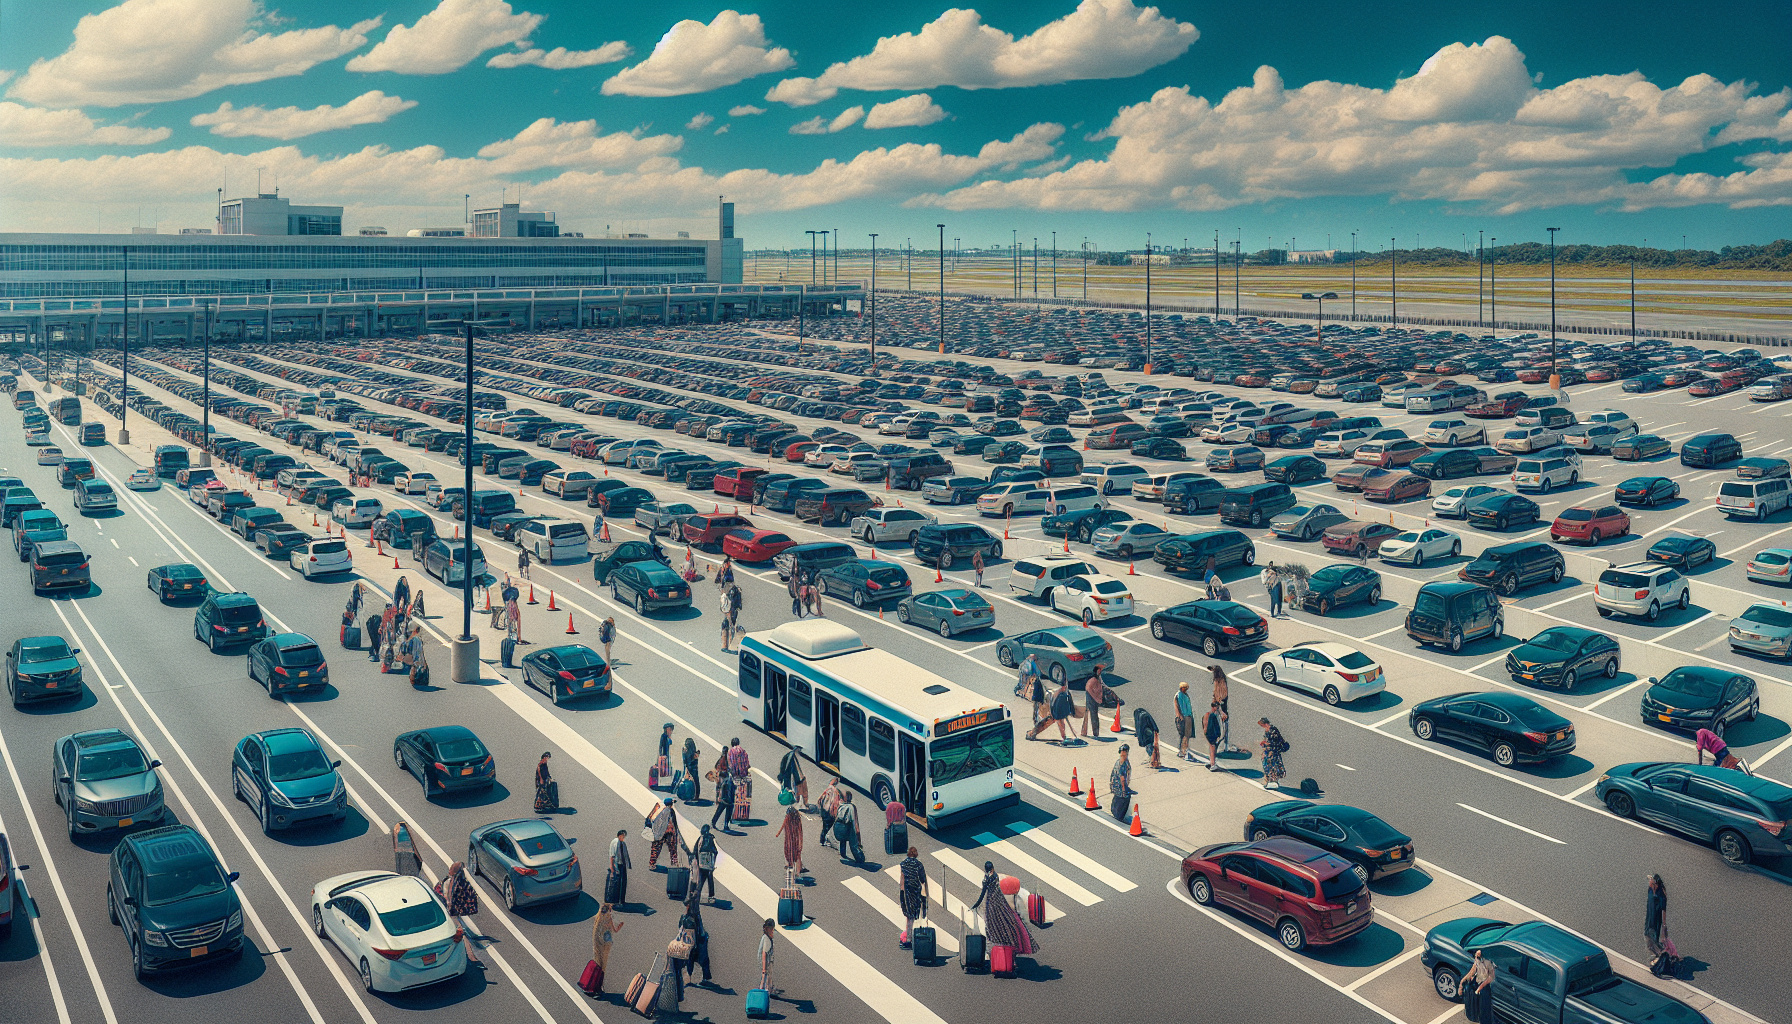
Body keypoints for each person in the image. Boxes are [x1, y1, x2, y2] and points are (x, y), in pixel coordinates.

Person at [969, 860, 1035, 957]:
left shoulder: (986, 879)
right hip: (1000, 900)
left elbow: (983, 893)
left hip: (991, 903)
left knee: (991, 925)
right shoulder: (995, 875)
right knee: (1007, 919)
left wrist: (975, 905)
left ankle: (995, 946)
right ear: (992, 868)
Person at [439, 861, 482, 966]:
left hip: (452, 913)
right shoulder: (457, 882)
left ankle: (470, 955)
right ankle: (470, 955)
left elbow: (448, 897)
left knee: (462, 933)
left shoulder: (451, 882)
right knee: (462, 933)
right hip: (454, 912)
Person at [896, 846, 928, 948]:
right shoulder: (919, 865)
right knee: (912, 915)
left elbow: (902, 879)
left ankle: (908, 938)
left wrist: (901, 893)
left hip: (905, 891)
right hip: (915, 892)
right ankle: (909, 937)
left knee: (908, 916)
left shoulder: (903, 864)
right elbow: (922, 879)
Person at [590, 902, 625, 992]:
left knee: (597, 961)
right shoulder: (609, 919)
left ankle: (594, 983)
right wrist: (621, 925)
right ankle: (600, 985)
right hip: (606, 943)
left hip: (598, 942)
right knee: (603, 965)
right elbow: (615, 930)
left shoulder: (598, 919)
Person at [1027, 678, 1073, 742]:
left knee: (1054, 717)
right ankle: (1032, 733)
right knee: (1053, 717)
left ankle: (1032, 733)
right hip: (1046, 692)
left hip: (1050, 691)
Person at [680, 897, 712, 986]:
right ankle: (693, 978)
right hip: (693, 942)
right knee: (693, 960)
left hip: (697, 942)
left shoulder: (690, 917)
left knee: (699, 959)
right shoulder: (690, 916)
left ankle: (703, 978)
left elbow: (699, 930)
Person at [647, 797, 680, 868]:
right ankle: (674, 864)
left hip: (659, 833)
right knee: (672, 849)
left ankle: (651, 864)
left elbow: (656, 822)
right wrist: (675, 834)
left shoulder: (662, 811)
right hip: (669, 834)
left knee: (656, 849)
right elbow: (673, 824)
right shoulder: (671, 811)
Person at [774, 804, 806, 876]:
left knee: (789, 851)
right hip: (796, 839)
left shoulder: (787, 818)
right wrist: (800, 841)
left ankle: (789, 864)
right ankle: (798, 871)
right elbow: (800, 831)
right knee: (797, 854)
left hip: (789, 839)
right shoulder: (797, 819)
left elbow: (782, 826)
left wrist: (778, 834)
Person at [1466, 948, 1495, 1023]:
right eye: (1476, 956)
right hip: (1478, 985)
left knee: (1485, 1007)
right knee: (1478, 1007)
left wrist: (1480, 987)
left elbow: (1491, 977)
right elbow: (1473, 971)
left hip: (1485, 988)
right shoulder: (1477, 962)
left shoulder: (1488, 963)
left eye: (1478, 956)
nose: (1477, 957)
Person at [1213, 667, 1238, 754]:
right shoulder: (1220, 682)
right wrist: (1221, 712)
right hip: (1221, 708)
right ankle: (1220, 747)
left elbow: (1217, 697)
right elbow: (1218, 699)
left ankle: (1224, 746)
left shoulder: (1219, 682)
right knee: (1223, 729)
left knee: (1224, 728)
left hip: (1221, 708)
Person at [692, 824, 719, 903]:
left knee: (700, 879)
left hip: (700, 863)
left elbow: (695, 850)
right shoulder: (711, 838)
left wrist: (696, 861)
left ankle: (696, 895)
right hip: (709, 864)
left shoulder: (700, 839)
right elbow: (715, 851)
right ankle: (711, 897)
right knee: (710, 879)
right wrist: (713, 862)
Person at [835, 790, 863, 864]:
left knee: (842, 840)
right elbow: (855, 821)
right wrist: (857, 833)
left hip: (839, 826)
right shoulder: (851, 807)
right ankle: (859, 858)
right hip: (847, 826)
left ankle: (843, 854)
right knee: (853, 842)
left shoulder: (840, 806)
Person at [1259, 718, 1288, 790]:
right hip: (1268, 752)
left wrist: (1266, 743)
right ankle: (1271, 781)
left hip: (1272, 752)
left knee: (1272, 766)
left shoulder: (1273, 731)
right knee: (1269, 766)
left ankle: (1273, 782)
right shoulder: (1268, 730)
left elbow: (1275, 743)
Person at [1081, 663, 1108, 738]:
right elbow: (1088, 688)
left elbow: (1102, 684)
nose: (1101, 671)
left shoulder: (1098, 678)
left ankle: (1094, 732)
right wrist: (1096, 698)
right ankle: (1095, 733)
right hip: (1091, 700)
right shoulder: (1093, 679)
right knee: (1093, 716)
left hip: (1093, 699)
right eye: (1100, 670)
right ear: (1097, 671)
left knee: (1093, 716)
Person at [1645, 874, 1668, 960]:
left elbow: (1664, 909)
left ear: (1655, 883)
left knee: (1652, 935)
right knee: (1647, 933)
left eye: (1651, 882)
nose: (1649, 883)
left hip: (1656, 917)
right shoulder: (1650, 889)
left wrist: (1664, 923)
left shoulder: (1661, 894)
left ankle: (1657, 954)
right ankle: (1656, 952)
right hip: (1650, 915)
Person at [608, 829, 632, 907]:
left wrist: (628, 864)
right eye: (622, 836)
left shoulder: (623, 843)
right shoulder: (615, 843)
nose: (623, 838)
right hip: (617, 865)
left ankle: (622, 900)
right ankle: (616, 901)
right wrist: (612, 867)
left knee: (623, 882)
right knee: (617, 884)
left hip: (623, 864)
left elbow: (625, 854)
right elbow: (612, 856)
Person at [1109, 745, 1132, 822]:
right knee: (1125, 798)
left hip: (1115, 785)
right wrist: (1124, 790)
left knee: (1118, 797)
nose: (1124, 756)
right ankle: (1119, 816)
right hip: (1118, 786)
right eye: (1123, 754)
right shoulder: (1122, 764)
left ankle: (1115, 811)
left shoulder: (1121, 761)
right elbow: (1122, 778)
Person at [817, 777, 841, 849]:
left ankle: (823, 839)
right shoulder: (836, 792)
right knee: (828, 827)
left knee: (825, 826)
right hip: (829, 812)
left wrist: (819, 808)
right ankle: (823, 840)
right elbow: (835, 803)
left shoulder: (828, 789)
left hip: (824, 810)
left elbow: (820, 799)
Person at [1175, 681, 1196, 761]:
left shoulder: (1185, 695)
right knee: (1183, 735)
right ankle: (1182, 751)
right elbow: (1178, 707)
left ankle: (1184, 750)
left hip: (1188, 716)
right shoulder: (1179, 695)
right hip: (1184, 717)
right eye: (1185, 688)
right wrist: (1180, 717)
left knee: (1187, 735)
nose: (1186, 690)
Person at [758, 918, 778, 997]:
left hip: (768, 962)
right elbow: (764, 953)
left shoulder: (765, 937)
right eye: (772, 929)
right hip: (766, 963)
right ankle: (761, 992)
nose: (773, 931)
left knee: (769, 976)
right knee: (764, 977)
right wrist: (764, 968)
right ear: (767, 929)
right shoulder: (767, 940)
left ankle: (770, 988)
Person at [1202, 700, 1224, 770]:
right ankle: (1213, 764)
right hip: (1212, 735)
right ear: (1213, 707)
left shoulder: (1209, 714)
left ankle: (1211, 762)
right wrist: (1217, 735)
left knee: (1212, 749)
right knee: (1213, 749)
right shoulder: (1212, 715)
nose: (1217, 709)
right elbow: (1212, 727)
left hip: (1209, 735)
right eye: (1216, 708)